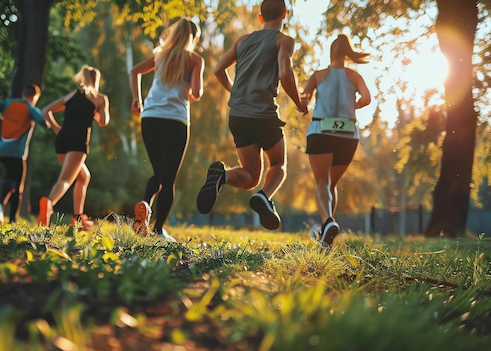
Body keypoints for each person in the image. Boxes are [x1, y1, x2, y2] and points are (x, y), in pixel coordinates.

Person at [197, 0, 307, 230]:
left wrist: (234, 91)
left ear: (260, 17)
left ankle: (222, 176)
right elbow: (285, 73)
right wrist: (299, 103)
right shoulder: (283, 40)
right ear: (284, 15)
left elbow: (218, 69)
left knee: (250, 176)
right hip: (263, 113)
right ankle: (265, 197)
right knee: (278, 164)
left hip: (238, 113)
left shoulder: (243, 41)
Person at [129, 17, 205, 241]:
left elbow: (134, 72)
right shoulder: (195, 60)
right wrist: (190, 88)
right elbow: (197, 94)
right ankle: (158, 230)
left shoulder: (160, 55)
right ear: (193, 38)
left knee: (159, 175)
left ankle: (145, 203)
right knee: (168, 178)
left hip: (150, 117)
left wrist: (137, 100)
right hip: (176, 120)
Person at [301, 34, 371, 248]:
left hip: (321, 130)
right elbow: (367, 99)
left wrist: (303, 103)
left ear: (330, 53)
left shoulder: (318, 75)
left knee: (323, 183)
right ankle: (326, 235)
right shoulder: (354, 76)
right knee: (332, 184)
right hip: (348, 135)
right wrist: (353, 106)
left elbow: (305, 98)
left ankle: (328, 222)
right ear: (347, 53)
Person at [37, 65, 110, 229]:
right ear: (97, 81)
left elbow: (46, 110)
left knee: (83, 176)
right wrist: (96, 112)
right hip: (78, 141)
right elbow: (104, 121)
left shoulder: (71, 96)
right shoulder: (100, 98)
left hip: (62, 139)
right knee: (65, 179)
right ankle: (49, 204)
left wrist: (57, 129)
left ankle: (78, 218)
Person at [0, 84, 48, 224]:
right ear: (35, 97)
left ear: (22, 93)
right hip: (17, 153)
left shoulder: (9, 104)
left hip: (1, 150)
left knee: (9, 179)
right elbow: (43, 122)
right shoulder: (30, 108)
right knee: (17, 186)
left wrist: (0, 121)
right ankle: (11, 219)